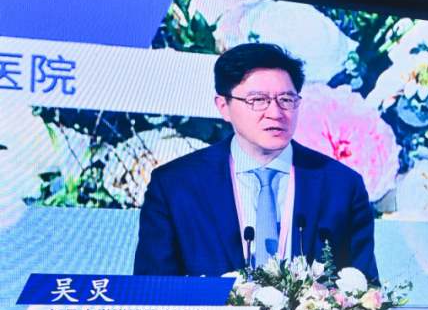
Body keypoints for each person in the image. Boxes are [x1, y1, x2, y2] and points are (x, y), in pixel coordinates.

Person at [133, 43, 378, 282]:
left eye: (286, 99)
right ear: (224, 107)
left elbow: (364, 294)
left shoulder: (342, 187)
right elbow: (151, 293)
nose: (275, 113)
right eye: (258, 100)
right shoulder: (174, 186)